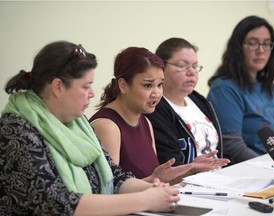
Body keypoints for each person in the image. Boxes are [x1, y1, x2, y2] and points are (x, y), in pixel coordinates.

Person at [0, 41, 180, 216]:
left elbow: (114, 177)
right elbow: (56, 203)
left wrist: (158, 190)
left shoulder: (78, 123)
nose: (92, 93)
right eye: (86, 86)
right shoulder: (16, 130)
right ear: (58, 87)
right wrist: (146, 199)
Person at [89, 47, 195, 185]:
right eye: (147, 85)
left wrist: (192, 169)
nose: (156, 93)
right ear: (123, 85)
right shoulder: (107, 127)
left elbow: (153, 181)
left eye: (160, 85)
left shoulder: (145, 122)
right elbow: (109, 191)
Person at [207, 15, 274, 165]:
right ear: (238, 47)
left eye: (267, 44)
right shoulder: (224, 89)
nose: (261, 50)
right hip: (249, 173)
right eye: (253, 43)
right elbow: (232, 146)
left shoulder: (267, 85)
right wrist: (273, 167)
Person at [145, 37, 230, 170]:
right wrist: (192, 168)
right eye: (181, 66)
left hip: (218, 178)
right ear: (161, 67)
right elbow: (169, 162)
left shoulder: (199, 101)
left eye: (195, 66)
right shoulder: (155, 108)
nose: (191, 72)